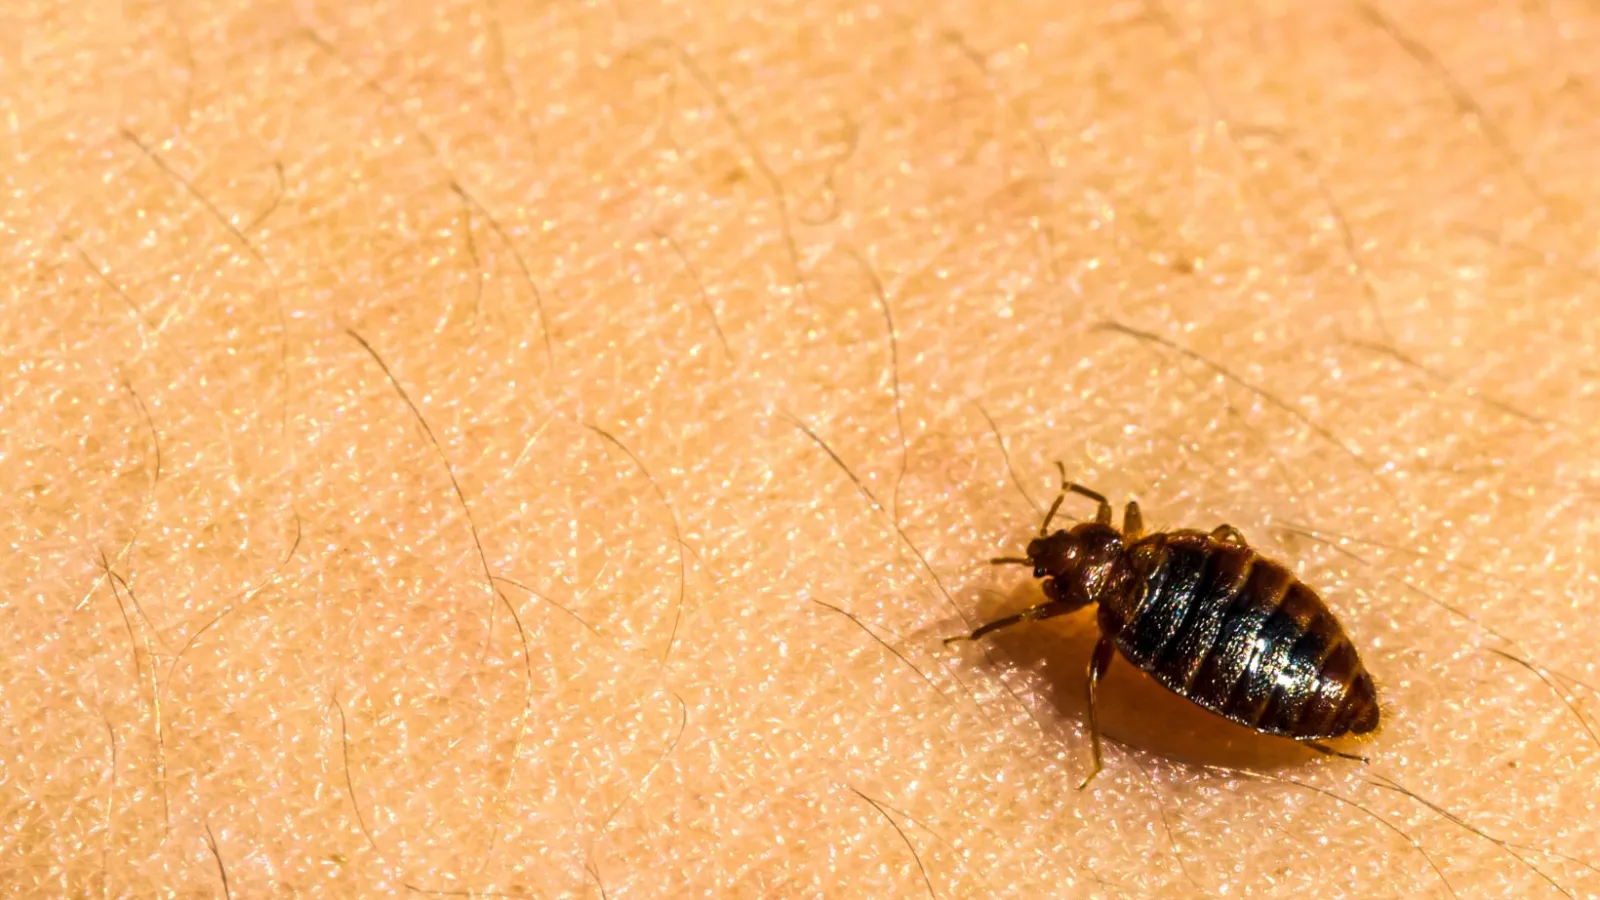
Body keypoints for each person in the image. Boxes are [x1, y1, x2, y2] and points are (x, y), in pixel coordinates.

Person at [5, 0, 1594, 895]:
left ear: (1097, 553)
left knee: (1226, 646)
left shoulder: (1130, 600)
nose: (1063, 564)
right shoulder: (1139, 591)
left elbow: (1178, 618)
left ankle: (1324, 713)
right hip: (1249, 646)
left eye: (1064, 561)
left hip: (1262, 660)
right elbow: (1195, 598)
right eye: (1062, 568)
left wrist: (1080, 685)